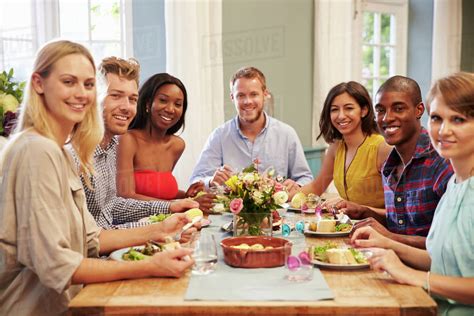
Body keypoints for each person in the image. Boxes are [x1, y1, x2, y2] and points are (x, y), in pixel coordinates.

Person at [0, 40, 195, 315]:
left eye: (88, 85)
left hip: (73, 301)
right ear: (38, 83)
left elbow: (92, 238)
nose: (81, 94)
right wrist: (150, 265)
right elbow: (57, 264)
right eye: (69, 82)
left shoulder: (58, 151)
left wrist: (162, 227)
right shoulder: (37, 150)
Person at [351, 72, 474, 308]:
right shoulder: (455, 186)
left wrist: (413, 276)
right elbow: (440, 260)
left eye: (458, 120)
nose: (443, 130)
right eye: (437, 118)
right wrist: (388, 246)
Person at [70, 57, 198, 229]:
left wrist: (170, 207)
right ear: (91, 98)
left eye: (132, 99)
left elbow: (112, 208)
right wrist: (159, 228)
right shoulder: (73, 157)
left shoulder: (112, 147)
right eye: (115, 96)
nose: (126, 107)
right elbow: (89, 238)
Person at [338, 76, 453, 249]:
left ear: (419, 110)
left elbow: (448, 247)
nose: (386, 118)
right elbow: (402, 223)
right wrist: (364, 211)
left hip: (429, 273)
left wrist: (389, 238)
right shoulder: (389, 166)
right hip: (390, 262)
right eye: (380, 110)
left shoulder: (442, 163)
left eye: (398, 108)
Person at [190, 66, 313, 195]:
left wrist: (297, 185)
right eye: (241, 95)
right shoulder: (219, 136)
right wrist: (210, 181)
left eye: (254, 94)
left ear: (265, 94)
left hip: (278, 213)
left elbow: (306, 178)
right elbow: (195, 181)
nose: (247, 101)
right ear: (232, 98)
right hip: (230, 214)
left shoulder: (287, 134)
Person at [116, 73, 215, 211]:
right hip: (134, 226)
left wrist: (188, 196)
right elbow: (125, 196)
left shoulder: (177, 145)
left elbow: (161, 192)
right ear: (147, 103)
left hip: (167, 223)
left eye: (178, 104)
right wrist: (179, 205)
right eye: (163, 100)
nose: (170, 109)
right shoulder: (127, 140)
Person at [299, 81, 391, 209]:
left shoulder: (382, 147)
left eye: (349, 108)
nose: (341, 116)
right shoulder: (335, 148)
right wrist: (277, 194)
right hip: (346, 226)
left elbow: (398, 210)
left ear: (364, 110)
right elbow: (316, 187)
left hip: (379, 227)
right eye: (335, 109)